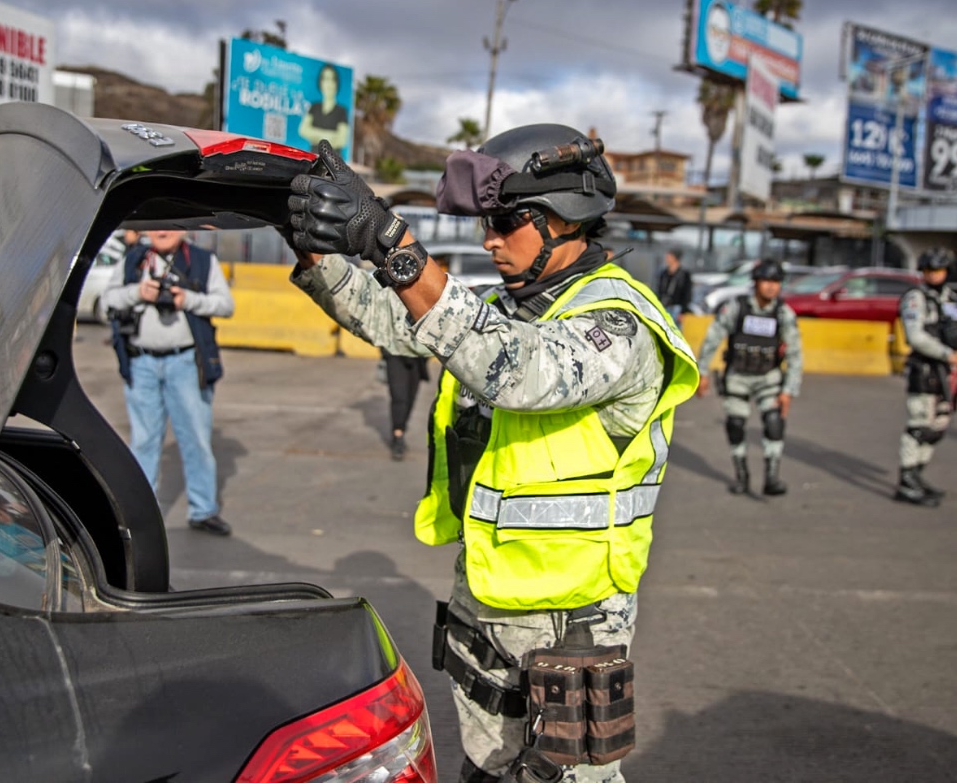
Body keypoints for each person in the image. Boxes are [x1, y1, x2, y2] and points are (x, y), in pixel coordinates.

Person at [284, 125, 699, 783]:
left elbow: (518, 369)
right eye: (487, 223)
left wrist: (393, 244)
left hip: (572, 619)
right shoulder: (514, 307)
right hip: (489, 595)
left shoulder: (620, 322)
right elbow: (396, 319)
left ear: (567, 219)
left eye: (507, 222)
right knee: (487, 767)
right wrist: (313, 249)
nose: (489, 240)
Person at [101, 229, 236, 536]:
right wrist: (139, 293)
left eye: (172, 224)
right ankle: (141, 514)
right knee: (144, 441)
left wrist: (187, 299)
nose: (163, 230)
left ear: (187, 228)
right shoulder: (132, 260)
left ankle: (203, 511)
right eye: (158, 223)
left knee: (196, 439)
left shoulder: (202, 261)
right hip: (141, 362)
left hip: (185, 363)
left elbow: (225, 305)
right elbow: (108, 299)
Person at [695, 258, 803, 496]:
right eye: (767, 281)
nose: (771, 286)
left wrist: (789, 391)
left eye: (776, 282)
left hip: (769, 378)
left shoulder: (783, 313)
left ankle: (771, 477)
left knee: (774, 423)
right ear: (755, 282)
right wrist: (701, 372)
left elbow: (795, 353)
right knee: (735, 424)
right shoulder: (736, 307)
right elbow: (714, 337)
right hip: (738, 377)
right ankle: (741, 475)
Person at [895, 248, 957, 506]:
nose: (933, 275)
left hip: (947, 373)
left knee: (939, 424)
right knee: (919, 424)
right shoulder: (915, 299)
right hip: (925, 369)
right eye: (929, 271)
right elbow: (915, 336)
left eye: (938, 270)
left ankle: (918, 473)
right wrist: (947, 354)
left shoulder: (951, 299)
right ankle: (907, 479)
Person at [381, 349, 429, 460]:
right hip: (395, 355)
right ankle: (398, 436)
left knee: (410, 398)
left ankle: (400, 428)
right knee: (399, 397)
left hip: (417, 357)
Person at [297, 63, 350, 157]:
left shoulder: (341, 111)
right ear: (320, 83)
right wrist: (329, 137)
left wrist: (314, 135)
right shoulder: (314, 107)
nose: (328, 83)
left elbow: (342, 140)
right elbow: (303, 130)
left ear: (336, 83)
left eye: (331, 79)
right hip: (313, 158)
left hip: (333, 162)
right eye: (325, 79)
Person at [656, 248, 693, 325]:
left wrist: (683, 311)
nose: (667, 258)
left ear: (675, 258)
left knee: (675, 330)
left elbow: (687, 293)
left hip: (677, 308)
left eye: (669, 256)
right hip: (664, 306)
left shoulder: (684, 274)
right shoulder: (664, 274)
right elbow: (660, 290)